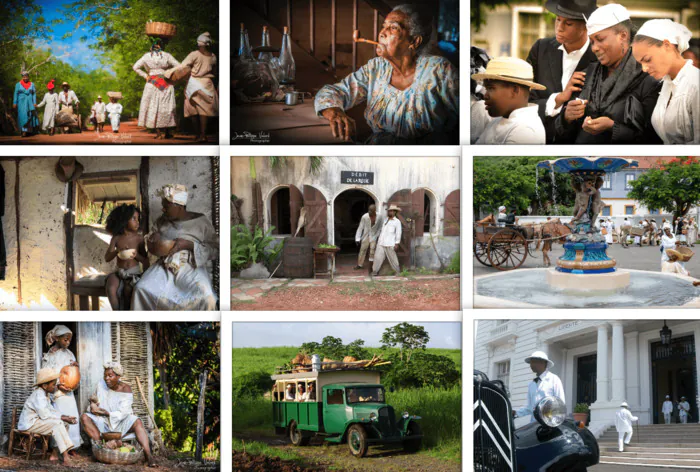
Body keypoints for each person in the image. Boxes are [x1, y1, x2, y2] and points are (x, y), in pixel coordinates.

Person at [315, 5, 458, 144]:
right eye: (384, 26)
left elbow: (469, 116)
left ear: (414, 41)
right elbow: (333, 92)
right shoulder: (376, 68)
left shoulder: (438, 70)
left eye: (393, 28)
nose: (382, 33)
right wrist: (334, 112)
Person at [555, 4, 661, 144]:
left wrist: (612, 127)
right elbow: (563, 135)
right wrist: (567, 117)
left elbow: (654, 138)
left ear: (622, 36)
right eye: (592, 42)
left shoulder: (648, 77)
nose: (594, 48)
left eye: (600, 39)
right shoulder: (587, 75)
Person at [132, 184, 219, 310]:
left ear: (179, 206)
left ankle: (200, 329)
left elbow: (215, 249)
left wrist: (189, 245)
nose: (162, 209)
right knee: (141, 289)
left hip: (190, 266)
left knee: (207, 297)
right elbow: (150, 243)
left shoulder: (200, 221)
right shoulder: (162, 221)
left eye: (166, 206)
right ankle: (146, 327)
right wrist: (152, 240)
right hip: (164, 265)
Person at [526, 0, 598, 143]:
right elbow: (524, 100)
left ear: (586, 27)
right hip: (535, 137)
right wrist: (558, 99)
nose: (559, 27)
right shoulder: (540, 48)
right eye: (558, 20)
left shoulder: (599, 58)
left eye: (568, 23)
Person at [632, 20, 698, 144]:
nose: (644, 69)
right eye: (640, 63)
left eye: (647, 59)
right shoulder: (666, 84)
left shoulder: (695, 83)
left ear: (666, 45)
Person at [81, 362, 155, 467]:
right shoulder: (101, 385)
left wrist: (107, 413)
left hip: (120, 421)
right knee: (84, 417)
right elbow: (97, 402)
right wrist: (93, 405)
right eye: (105, 375)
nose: (107, 378)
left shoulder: (126, 389)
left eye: (110, 376)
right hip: (104, 422)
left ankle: (149, 456)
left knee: (137, 421)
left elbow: (124, 413)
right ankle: (102, 447)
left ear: (118, 376)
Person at [472, 57, 546, 144]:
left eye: (491, 88)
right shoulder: (497, 121)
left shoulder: (526, 130)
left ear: (514, 90)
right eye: (486, 89)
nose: (485, 95)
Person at [18, 368, 76, 464]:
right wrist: (62, 418)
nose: (55, 387)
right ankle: (66, 458)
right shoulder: (38, 395)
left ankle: (54, 453)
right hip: (30, 424)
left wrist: (65, 417)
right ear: (45, 385)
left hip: (38, 421)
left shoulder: (45, 394)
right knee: (57, 424)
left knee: (64, 423)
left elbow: (52, 411)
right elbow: (45, 415)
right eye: (53, 384)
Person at [40, 325, 81, 453]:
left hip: (68, 391)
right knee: (61, 418)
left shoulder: (70, 354)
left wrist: (76, 366)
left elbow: (73, 373)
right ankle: (58, 448)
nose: (68, 342)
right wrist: (57, 384)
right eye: (65, 339)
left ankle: (72, 446)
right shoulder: (50, 355)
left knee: (73, 417)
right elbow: (46, 373)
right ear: (57, 338)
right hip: (57, 391)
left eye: (69, 340)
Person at [133, 38, 181, 139]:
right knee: (166, 107)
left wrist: (145, 75)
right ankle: (167, 133)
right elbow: (179, 66)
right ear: (162, 46)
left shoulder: (146, 56)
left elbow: (135, 67)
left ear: (152, 46)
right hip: (165, 82)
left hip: (152, 82)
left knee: (153, 107)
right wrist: (168, 72)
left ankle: (158, 134)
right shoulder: (167, 55)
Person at [105, 204, 149, 310]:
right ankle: (117, 314)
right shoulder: (116, 238)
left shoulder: (139, 239)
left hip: (134, 273)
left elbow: (146, 261)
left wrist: (136, 255)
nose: (137, 222)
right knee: (111, 287)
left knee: (128, 290)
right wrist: (116, 251)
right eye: (134, 218)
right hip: (119, 272)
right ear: (124, 220)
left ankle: (129, 315)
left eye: (138, 219)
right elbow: (107, 258)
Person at [181, 32, 218, 143]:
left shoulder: (194, 54)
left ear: (199, 44)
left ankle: (198, 135)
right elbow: (214, 72)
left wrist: (185, 80)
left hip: (193, 83)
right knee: (204, 110)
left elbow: (183, 67)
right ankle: (203, 135)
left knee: (193, 110)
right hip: (207, 83)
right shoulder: (213, 56)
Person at [513, 351, 565, 422]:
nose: (531, 365)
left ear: (543, 363)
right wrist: (516, 413)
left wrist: (555, 422)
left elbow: (560, 404)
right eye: (530, 362)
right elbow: (529, 407)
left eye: (534, 362)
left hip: (550, 425)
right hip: (534, 425)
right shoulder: (532, 384)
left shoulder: (554, 379)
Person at [372, 205, 403, 276]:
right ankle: (374, 271)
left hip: (390, 243)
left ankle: (397, 271)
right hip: (381, 242)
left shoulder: (397, 221)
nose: (390, 212)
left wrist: (397, 243)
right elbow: (381, 231)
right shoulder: (385, 220)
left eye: (392, 211)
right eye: (389, 211)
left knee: (393, 259)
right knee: (377, 258)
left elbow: (398, 233)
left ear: (395, 212)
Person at [354, 204, 382, 270]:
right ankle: (359, 264)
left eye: (371, 211)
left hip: (374, 236)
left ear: (375, 210)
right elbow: (360, 227)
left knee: (372, 250)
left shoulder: (379, 217)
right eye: (369, 210)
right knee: (362, 250)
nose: (370, 212)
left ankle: (372, 266)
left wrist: (377, 236)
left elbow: (380, 227)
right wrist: (357, 238)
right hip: (366, 236)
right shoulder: (365, 217)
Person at [13, 71, 39, 137]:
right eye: (24, 77)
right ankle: (23, 131)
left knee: (30, 115)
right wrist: (14, 102)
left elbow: (34, 94)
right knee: (22, 116)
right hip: (21, 102)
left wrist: (34, 102)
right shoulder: (18, 84)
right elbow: (15, 94)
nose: (25, 78)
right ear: (22, 77)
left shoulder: (32, 84)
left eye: (26, 77)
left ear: (28, 77)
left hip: (30, 102)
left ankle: (28, 131)